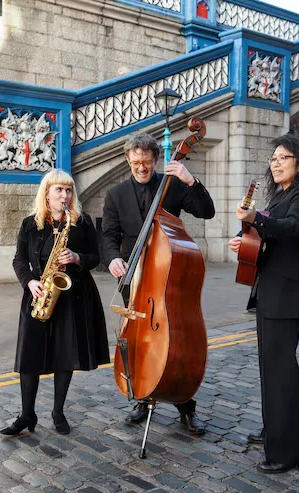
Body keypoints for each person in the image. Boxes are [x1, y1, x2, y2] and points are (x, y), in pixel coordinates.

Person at [101, 132, 215, 435]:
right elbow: (109, 235)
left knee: (174, 344)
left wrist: (191, 181)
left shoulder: (172, 185)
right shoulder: (115, 194)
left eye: (147, 162)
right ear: (128, 160)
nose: (142, 167)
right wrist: (112, 258)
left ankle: (185, 404)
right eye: (136, 162)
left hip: (166, 278)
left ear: (155, 160)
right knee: (137, 340)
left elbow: (207, 211)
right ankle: (141, 395)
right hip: (133, 279)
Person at [228, 133, 299, 474]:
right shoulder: (282, 194)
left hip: (286, 295)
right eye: (273, 158)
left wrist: (256, 218)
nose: (275, 162)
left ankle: (289, 454)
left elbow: (291, 228)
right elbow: (269, 236)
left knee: (282, 372)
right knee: (270, 368)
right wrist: (245, 242)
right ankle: (274, 430)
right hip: (272, 291)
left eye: (283, 157)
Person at [2, 169, 110, 437]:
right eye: (59, 190)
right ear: (47, 193)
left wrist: (76, 258)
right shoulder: (30, 224)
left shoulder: (81, 223)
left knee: (65, 356)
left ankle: (58, 412)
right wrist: (29, 282)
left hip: (72, 296)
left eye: (69, 190)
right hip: (39, 294)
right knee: (29, 359)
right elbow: (19, 260)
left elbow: (95, 257)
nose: (65, 195)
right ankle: (27, 415)